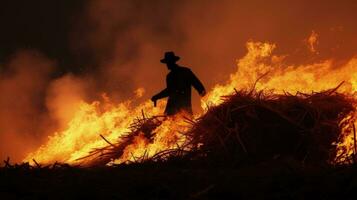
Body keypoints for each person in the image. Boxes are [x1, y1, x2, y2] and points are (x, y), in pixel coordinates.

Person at [151, 51, 206, 115]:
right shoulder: (172, 75)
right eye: (167, 62)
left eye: (168, 62)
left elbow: (196, 83)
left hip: (178, 108)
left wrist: (202, 93)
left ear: (172, 62)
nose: (167, 65)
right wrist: (157, 96)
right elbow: (169, 90)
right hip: (177, 108)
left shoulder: (183, 72)